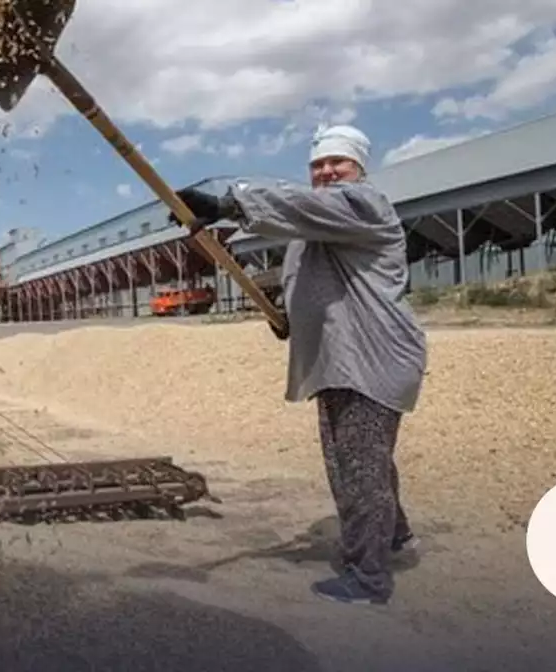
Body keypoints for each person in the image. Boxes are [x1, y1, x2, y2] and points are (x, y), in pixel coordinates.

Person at [169, 124, 427, 605]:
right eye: (319, 164)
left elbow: (300, 206)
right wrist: (286, 317)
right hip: (341, 359)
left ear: (359, 168)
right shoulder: (313, 232)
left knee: (356, 468)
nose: (327, 171)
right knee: (368, 461)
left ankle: (368, 579)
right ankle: (395, 537)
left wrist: (228, 203)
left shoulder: (364, 205)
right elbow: (309, 280)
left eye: (338, 162)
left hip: (371, 357)